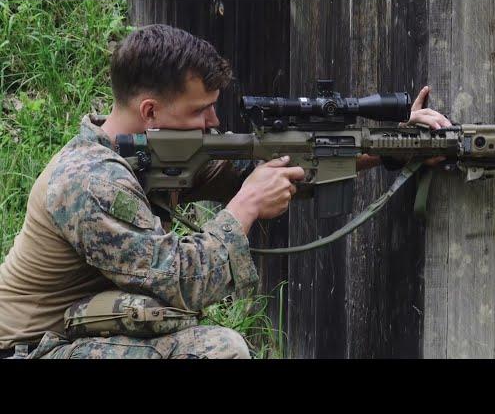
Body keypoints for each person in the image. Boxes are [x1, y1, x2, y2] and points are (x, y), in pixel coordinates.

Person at [0, 24, 452, 359]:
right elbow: (182, 284)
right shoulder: (91, 180)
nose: (214, 123)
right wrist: (246, 207)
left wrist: (394, 146)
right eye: (201, 110)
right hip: (29, 348)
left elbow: (267, 166)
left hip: (75, 329)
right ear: (151, 111)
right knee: (217, 349)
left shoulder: (148, 154)